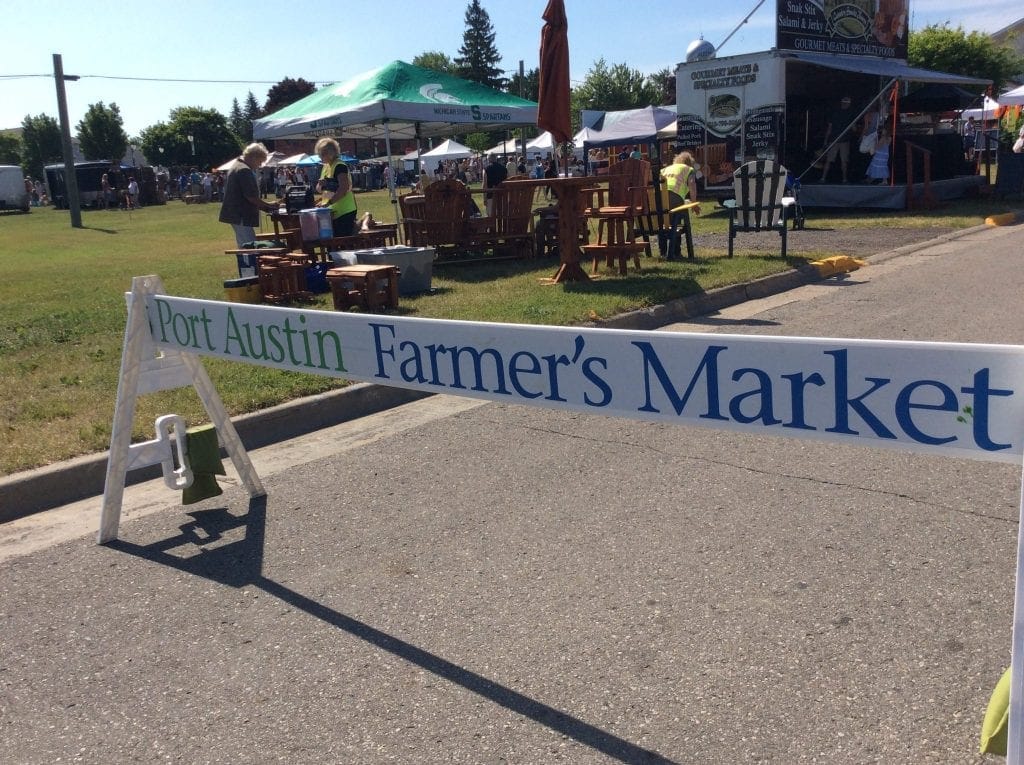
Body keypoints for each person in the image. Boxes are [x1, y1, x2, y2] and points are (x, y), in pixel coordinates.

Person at [218, 142, 276, 247]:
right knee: (249, 245)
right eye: (260, 161)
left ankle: (246, 263)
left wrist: (267, 205)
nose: (260, 165)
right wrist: (268, 206)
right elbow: (251, 197)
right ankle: (250, 263)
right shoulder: (244, 170)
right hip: (241, 215)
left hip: (236, 214)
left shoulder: (236, 166)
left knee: (244, 244)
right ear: (254, 157)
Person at [659, 150, 701, 260]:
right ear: (689, 162)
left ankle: (662, 251)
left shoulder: (665, 169)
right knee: (676, 222)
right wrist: (693, 202)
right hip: (675, 197)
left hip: (658, 198)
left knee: (662, 222)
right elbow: (692, 184)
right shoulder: (688, 169)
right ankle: (676, 252)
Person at [314, 137, 357, 237]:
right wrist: (323, 200)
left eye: (322, 154)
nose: (320, 157)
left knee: (343, 242)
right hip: (331, 212)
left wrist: (329, 203)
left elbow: (343, 188)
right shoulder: (326, 166)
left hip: (344, 211)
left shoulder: (340, 166)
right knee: (331, 241)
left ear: (330, 153)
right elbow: (323, 189)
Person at [820, 95, 856, 183]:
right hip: (840, 140)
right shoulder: (850, 114)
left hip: (835, 140)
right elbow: (854, 129)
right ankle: (844, 179)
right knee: (842, 161)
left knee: (831, 160)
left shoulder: (835, 113)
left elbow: (829, 128)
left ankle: (823, 178)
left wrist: (825, 141)